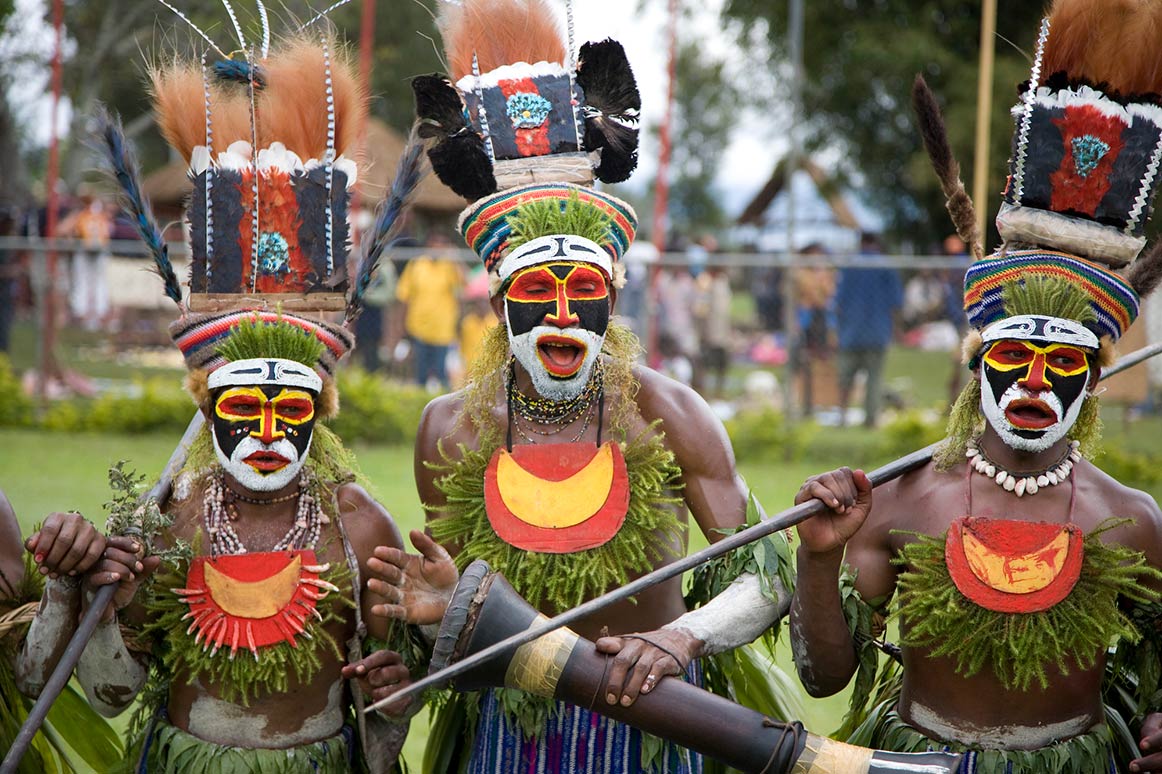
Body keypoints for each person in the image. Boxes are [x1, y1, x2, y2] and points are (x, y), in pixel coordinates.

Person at [349, 3, 794, 770]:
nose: (561, 312)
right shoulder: (450, 428)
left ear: (613, 298)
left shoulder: (668, 412)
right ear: (496, 303)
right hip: (506, 737)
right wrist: (416, 647)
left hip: (654, 730)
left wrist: (679, 636)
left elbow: (763, 575)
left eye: (582, 286)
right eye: (537, 289)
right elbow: (447, 609)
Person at [790, 8, 1162, 771]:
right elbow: (823, 679)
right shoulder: (899, 500)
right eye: (1014, 354)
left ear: (1093, 380)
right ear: (976, 363)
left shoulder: (1130, 519)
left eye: (1061, 364)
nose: (1033, 380)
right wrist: (819, 560)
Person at [55, 17, 428, 772]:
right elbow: (109, 694)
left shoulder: (361, 530)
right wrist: (95, 604)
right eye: (241, 408)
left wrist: (399, 688)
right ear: (206, 409)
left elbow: (391, 706)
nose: (265, 429)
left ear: (318, 413)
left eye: (288, 409)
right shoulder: (168, 521)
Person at [834, 232, 902, 428]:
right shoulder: (885, 266)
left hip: (850, 331)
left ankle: (842, 415)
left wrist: (838, 328)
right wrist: (895, 329)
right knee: (874, 379)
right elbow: (895, 302)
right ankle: (870, 419)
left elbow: (839, 300)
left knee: (845, 377)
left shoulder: (849, 265)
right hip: (878, 331)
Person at [395, 232, 464, 390]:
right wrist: (401, 325)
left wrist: (456, 259)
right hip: (419, 327)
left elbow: (464, 286)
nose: (437, 248)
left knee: (441, 373)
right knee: (420, 373)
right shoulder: (416, 264)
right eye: (435, 244)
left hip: (442, 330)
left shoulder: (450, 266)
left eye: (441, 245)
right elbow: (404, 296)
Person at [789, 243, 837, 415]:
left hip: (821, 320)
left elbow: (827, 294)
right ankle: (802, 402)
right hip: (806, 322)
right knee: (803, 362)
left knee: (823, 362)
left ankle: (822, 401)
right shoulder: (801, 274)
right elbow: (808, 293)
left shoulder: (827, 275)